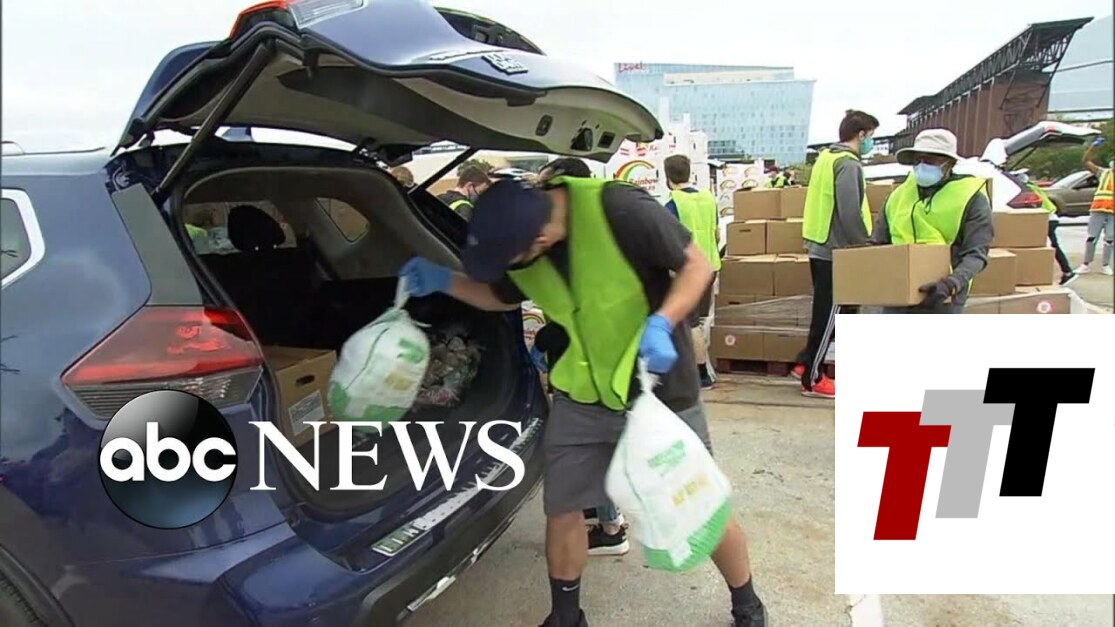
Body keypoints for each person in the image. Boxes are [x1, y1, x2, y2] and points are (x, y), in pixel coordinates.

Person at [398, 176, 767, 627]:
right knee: (563, 507)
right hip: (582, 396)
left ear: (538, 240)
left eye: (509, 260)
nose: (508, 269)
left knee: (698, 504)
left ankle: (747, 604)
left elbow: (697, 265)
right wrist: (443, 280)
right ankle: (566, 617)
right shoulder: (521, 241)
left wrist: (663, 321)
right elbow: (497, 296)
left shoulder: (620, 210)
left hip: (658, 393)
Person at [535, 155, 632, 558]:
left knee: (594, 456)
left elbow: (582, 316)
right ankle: (607, 520)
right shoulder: (584, 236)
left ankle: (611, 526)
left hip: (589, 376)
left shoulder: (584, 246)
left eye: (546, 187)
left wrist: (544, 340)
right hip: (592, 372)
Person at [794, 109, 878, 400]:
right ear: (861, 134)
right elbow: (850, 211)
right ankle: (812, 378)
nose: (871, 143)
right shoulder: (848, 164)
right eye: (871, 136)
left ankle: (805, 361)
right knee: (831, 315)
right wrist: (862, 246)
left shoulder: (826, 157)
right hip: (837, 250)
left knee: (828, 312)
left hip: (819, 243)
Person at [869, 128, 994, 313]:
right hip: (898, 295)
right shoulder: (897, 196)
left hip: (943, 297)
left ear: (949, 163)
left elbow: (976, 254)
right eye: (917, 159)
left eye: (930, 160)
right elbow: (878, 242)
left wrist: (951, 283)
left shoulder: (971, 198)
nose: (922, 165)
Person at [663, 154, 721, 389]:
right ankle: (704, 364)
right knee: (702, 318)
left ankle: (701, 374)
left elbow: (667, 242)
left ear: (667, 177)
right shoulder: (708, 199)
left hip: (688, 271)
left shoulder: (672, 204)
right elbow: (717, 234)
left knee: (690, 322)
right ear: (690, 173)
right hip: (711, 266)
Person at [1016, 170, 1076, 285]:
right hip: (1050, 217)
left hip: (1046, 219)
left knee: (1040, 247)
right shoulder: (1032, 187)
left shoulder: (1027, 190)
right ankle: (1066, 271)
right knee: (1049, 246)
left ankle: (1066, 271)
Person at [1077, 136, 1114, 276]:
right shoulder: (1103, 172)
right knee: (1092, 237)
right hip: (1098, 209)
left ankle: (1105, 265)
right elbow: (1085, 161)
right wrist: (1093, 147)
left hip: (1113, 212)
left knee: (1110, 239)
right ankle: (1085, 264)